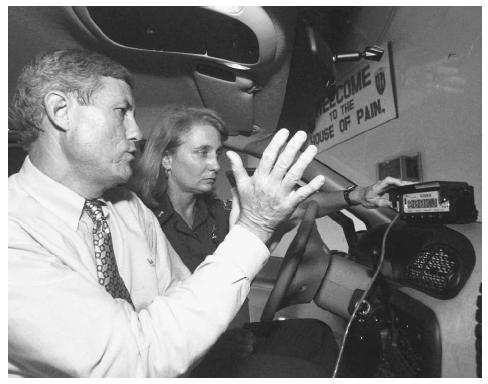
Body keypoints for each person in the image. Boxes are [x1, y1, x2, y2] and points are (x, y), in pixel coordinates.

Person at [8, 49, 326, 378]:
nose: (135, 132)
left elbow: (180, 294)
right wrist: (252, 231)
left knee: (313, 342)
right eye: (121, 112)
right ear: (61, 111)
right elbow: (130, 360)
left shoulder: (129, 209)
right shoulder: (12, 231)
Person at [129, 105, 405, 376]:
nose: (215, 164)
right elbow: (149, 323)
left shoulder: (217, 213)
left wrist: (355, 196)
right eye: (202, 153)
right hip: (183, 359)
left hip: (229, 338)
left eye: (218, 153)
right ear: (166, 159)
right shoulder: (141, 221)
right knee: (305, 374)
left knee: (317, 334)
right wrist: (217, 347)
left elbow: (294, 207)